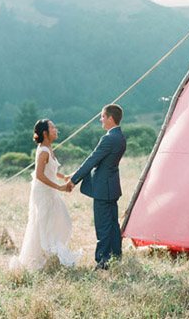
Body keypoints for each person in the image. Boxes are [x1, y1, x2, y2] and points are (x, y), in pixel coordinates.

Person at [9, 119, 81, 270]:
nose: (56, 129)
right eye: (52, 127)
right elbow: (39, 175)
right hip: (43, 193)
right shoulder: (43, 151)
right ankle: (43, 258)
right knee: (43, 223)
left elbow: (51, 170)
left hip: (50, 191)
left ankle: (52, 253)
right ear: (45, 133)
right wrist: (59, 187)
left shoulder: (48, 148)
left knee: (61, 220)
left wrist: (64, 177)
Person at [67, 104, 126, 270]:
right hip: (112, 187)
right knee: (113, 224)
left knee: (103, 226)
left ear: (110, 118)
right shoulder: (120, 137)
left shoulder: (108, 138)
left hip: (103, 189)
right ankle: (116, 256)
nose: (100, 119)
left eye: (102, 116)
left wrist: (73, 180)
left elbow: (92, 159)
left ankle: (103, 261)